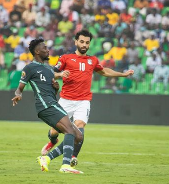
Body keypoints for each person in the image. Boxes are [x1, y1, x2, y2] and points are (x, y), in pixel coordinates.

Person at [41, 30, 134, 167]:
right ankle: (52, 142)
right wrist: (60, 74)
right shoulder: (66, 58)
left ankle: (72, 157)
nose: (84, 45)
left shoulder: (93, 60)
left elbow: (105, 71)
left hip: (83, 101)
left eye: (87, 42)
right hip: (66, 100)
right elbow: (51, 74)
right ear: (76, 42)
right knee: (54, 131)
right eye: (82, 42)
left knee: (78, 128)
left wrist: (122, 74)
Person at [11, 38, 83, 174]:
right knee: (69, 130)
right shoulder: (30, 67)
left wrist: (56, 88)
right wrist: (18, 94)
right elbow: (20, 87)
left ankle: (47, 158)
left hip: (52, 103)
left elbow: (52, 92)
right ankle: (65, 165)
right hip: (45, 105)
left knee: (78, 136)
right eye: (44, 48)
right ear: (37, 51)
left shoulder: (49, 69)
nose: (47, 50)